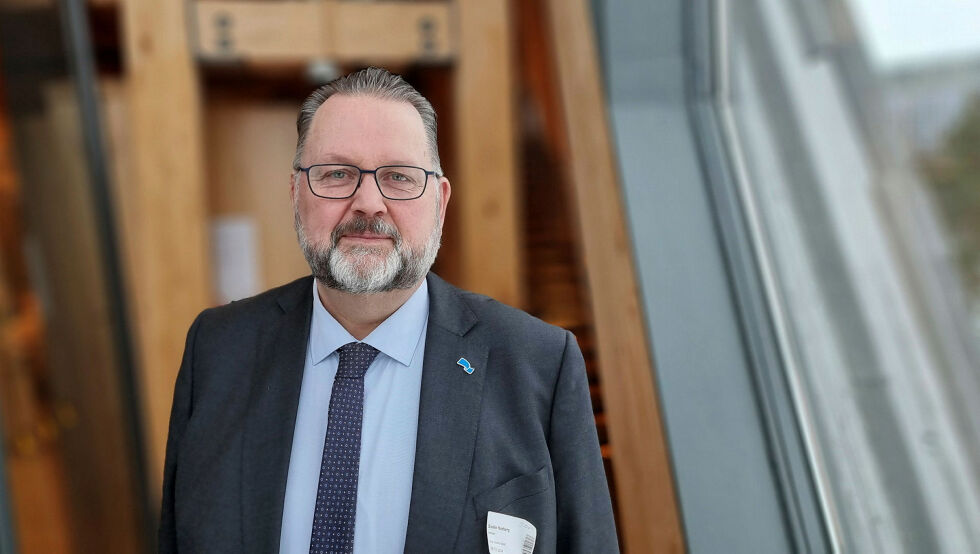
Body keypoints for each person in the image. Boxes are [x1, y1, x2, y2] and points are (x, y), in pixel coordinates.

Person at [158, 67, 618, 554]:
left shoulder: (538, 365)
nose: (368, 203)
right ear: (295, 194)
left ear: (439, 202)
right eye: (337, 174)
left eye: (399, 177)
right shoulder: (218, 349)